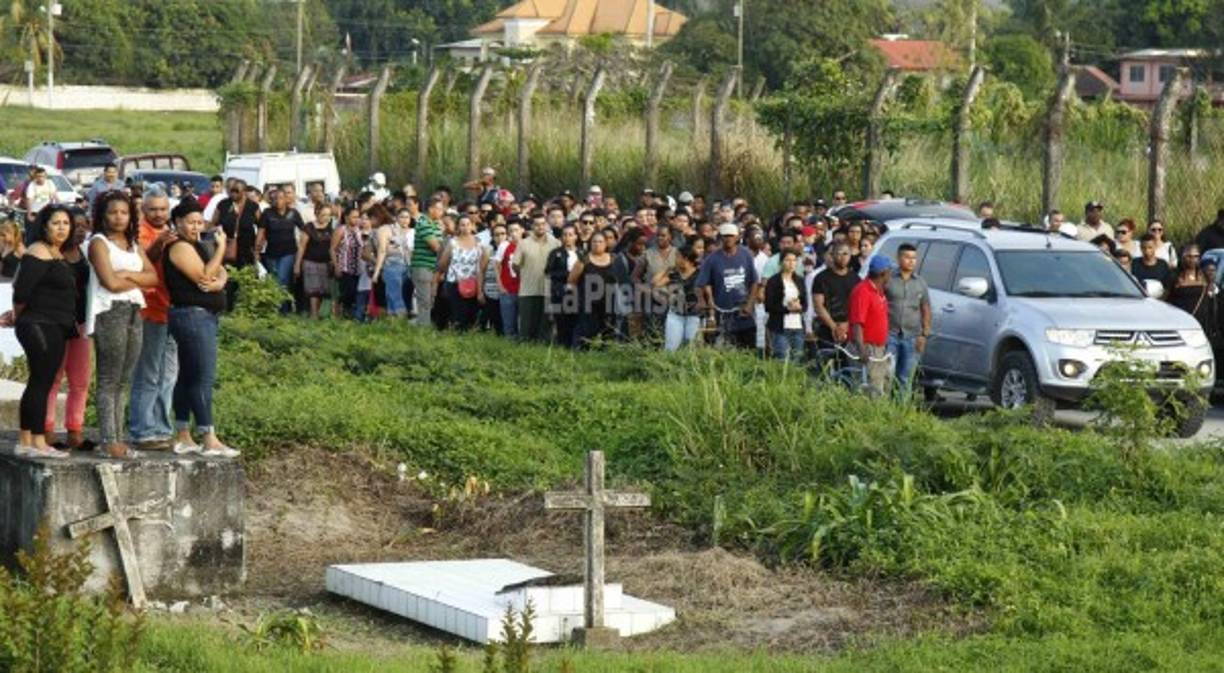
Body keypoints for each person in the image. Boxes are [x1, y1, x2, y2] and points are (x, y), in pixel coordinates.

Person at [87, 192, 158, 459]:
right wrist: (138, 281)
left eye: (124, 212)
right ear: (103, 215)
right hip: (110, 311)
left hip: (134, 310)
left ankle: (118, 436)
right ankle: (108, 440)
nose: (119, 217)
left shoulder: (133, 244)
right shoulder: (98, 243)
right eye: (113, 212)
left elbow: (153, 278)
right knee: (108, 378)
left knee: (123, 380)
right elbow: (110, 283)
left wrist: (129, 275)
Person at [164, 198, 237, 458]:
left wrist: (220, 282)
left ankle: (183, 434)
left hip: (202, 315)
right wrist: (219, 248)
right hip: (191, 316)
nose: (196, 227)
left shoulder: (198, 245)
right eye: (190, 222)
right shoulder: (180, 247)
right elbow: (204, 276)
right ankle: (208, 436)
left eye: (199, 222)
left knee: (187, 375)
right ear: (177, 223)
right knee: (202, 376)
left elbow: (219, 272)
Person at [4, 206, 78, 457]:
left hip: (55, 324)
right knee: (40, 381)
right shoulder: (37, 251)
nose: (61, 228)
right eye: (55, 223)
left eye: (66, 223)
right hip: (39, 324)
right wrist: (16, 316)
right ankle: (33, 441)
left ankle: (29, 440)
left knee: (41, 381)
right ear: (44, 226)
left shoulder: (56, 253)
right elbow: (22, 291)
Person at [129, 185, 179, 451]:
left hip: (173, 311)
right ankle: (142, 429)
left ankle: (161, 427)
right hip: (149, 311)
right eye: (153, 209)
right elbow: (141, 265)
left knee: (169, 375)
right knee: (148, 373)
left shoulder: (173, 230)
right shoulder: (138, 233)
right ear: (143, 210)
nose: (159, 214)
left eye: (163, 209)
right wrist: (159, 244)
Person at [44, 208, 92, 450]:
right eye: (77, 225)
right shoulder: (49, 253)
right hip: (55, 323)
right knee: (53, 377)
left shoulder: (86, 253)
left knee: (81, 379)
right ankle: (47, 429)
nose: (81, 229)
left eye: (85, 225)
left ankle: (75, 429)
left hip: (82, 323)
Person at [696, 223, 760, 350]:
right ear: (720, 237)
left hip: (743, 310)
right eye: (725, 236)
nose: (728, 238)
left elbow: (754, 281)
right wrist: (708, 306)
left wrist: (750, 304)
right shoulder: (712, 259)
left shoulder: (746, 254)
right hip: (721, 312)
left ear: (737, 237)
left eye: (731, 235)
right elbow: (701, 284)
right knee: (719, 350)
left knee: (747, 349)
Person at [885, 243, 931, 394]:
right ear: (898, 258)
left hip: (912, 336)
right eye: (907, 257)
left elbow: (926, 309)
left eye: (914, 258)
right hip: (889, 334)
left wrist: (924, 334)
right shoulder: (888, 279)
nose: (911, 261)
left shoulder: (920, 282)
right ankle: (882, 410)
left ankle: (901, 411)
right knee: (887, 375)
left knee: (905, 378)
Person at [849, 255, 893, 397]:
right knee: (870, 391)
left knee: (882, 388)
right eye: (890, 271)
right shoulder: (863, 291)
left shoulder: (878, 291)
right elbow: (857, 323)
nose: (891, 274)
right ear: (883, 273)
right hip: (867, 347)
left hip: (878, 347)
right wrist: (861, 348)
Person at [512, 211, 559, 342]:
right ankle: (525, 354)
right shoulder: (523, 243)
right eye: (537, 224)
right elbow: (515, 265)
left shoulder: (555, 243)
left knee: (545, 329)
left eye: (543, 224)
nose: (540, 227)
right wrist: (526, 275)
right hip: (528, 291)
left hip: (548, 291)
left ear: (547, 225)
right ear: (532, 226)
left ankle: (541, 354)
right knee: (526, 328)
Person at [436, 214, 488, 331]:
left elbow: (481, 268)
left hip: (473, 284)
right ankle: (458, 340)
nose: (465, 227)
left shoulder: (479, 243)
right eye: (462, 225)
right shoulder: (453, 243)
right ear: (458, 227)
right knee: (458, 315)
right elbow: (442, 264)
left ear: (472, 226)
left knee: (471, 315)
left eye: (468, 224)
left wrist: (480, 290)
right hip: (454, 283)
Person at [256, 188, 304, 312]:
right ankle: (279, 307)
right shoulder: (267, 213)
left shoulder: (293, 213)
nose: (278, 201)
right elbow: (261, 232)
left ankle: (283, 310)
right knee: (274, 279)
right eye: (275, 198)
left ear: (286, 199)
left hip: (288, 252)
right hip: (271, 252)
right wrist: (256, 250)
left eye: (281, 198)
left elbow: (304, 230)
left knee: (282, 278)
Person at [569, 230, 617, 347]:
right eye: (594, 241)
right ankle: (580, 351)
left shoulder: (613, 259)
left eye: (600, 241)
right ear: (590, 243)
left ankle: (606, 351)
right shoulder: (584, 260)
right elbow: (572, 280)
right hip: (588, 302)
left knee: (608, 328)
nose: (597, 244)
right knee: (586, 329)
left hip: (609, 301)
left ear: (606, 244)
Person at [764, 249, 809, 362]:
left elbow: (805, 304)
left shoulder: (799, 280)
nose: (791, 263)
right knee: (781, 358)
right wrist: (787, 309)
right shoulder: (773, 281)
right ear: (781, 262)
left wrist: (799, 307)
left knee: (797, 359)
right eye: (788, 260)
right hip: (780, 326)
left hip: (797, 326)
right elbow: (768, 306)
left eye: (794, 260)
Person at [657, 246, 703, 351]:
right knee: (671, 348)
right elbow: (656, 284)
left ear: (685, 258)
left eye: (677, 257)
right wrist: (667, 269)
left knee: (692, 348)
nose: (675, 260)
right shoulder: (674, 275)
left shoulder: (699, 274)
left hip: (694, 316)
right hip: (675, 315)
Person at [371, 206, 414, 319]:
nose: (405, 220)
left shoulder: (412, 232)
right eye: (402, 217)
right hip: (392, 266)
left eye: (407, 217)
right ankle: (399, 320)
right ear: (396, 218)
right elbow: (382, 250)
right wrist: (377, 271)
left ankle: (396, 324)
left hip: (408, 267)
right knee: (394, 295)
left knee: (392, 295)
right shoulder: (386, 229)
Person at [295, 202, 336, 319]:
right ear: (317, 214)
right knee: (313, 290)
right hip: (310, 262)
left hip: (326, 263)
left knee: (323, 290)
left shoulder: (331, 228)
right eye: (323, 215)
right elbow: (302, 246)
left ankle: (320, 313)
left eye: (328, 215)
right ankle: (314, 314)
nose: (326, 218)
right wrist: (297, 264)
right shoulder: (309, 227)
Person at [811, 243, 857, 345]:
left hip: (850, 328)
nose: (842, 257)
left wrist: (847, 325)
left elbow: (858, 305)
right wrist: (834, 327)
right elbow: (818, 306)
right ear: (832, 255)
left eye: (846, 254)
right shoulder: (821, 278)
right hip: (826, 328)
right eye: (839, 254)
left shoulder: (856, 279)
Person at [210, 178, 261, 268]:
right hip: (226, 247)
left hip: (246, 249)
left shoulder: (252, 206)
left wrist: (257, 249)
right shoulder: (223, 204)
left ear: (244, 191)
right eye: (232, 191)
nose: (233, 193)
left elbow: (262, 227)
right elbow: (212, 223)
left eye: (237, 191)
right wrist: (216, 230)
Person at [411, 198, 444, 326]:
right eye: (439, 209)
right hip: (423, 266)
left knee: (430, 299)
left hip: (432, 267)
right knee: (424, 300)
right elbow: (436, 246)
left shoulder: (435, 224)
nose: (442, 212)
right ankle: (424, 329)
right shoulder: (424, 224)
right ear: (431, 209)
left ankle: (423, 324)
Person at [331, 204, 364, 319]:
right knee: (348, 292)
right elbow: (332, 249)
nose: (356, 219)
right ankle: (341, 310)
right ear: (346, 217)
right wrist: (336, 266)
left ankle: (349, 314)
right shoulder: (341, 230)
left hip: (358, 268)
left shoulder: (359, 231)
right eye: (354, 217)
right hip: (344, 266)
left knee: (355, 292)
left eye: (358, 217)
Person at [1166, 246, 1211, 327]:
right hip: (1180, 321)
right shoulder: (1174, 276)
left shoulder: (1205, 276)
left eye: (1196, 256)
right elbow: (1166, 299)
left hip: (1202, 322)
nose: (1192, 259)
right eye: (1189, 256)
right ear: (1182, 257)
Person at [480, 223, 506, 333]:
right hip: (490, 292)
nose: (500, 237)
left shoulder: (512, 250)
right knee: (494, 323)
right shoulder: (488, 251)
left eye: (503, 234)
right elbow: (481, 272)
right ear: (492, 237)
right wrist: (479, 292)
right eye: (496, 234)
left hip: (506, 292)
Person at [498, 220, 523, 339]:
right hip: (508, 290)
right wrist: (500, 285)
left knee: (522, 324)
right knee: (509, 324)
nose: (513, 233)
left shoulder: (527, 245)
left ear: (522, 230)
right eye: (511, 231)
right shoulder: (504, 245)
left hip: (524, 290)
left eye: (516, 230)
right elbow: (496, 265)